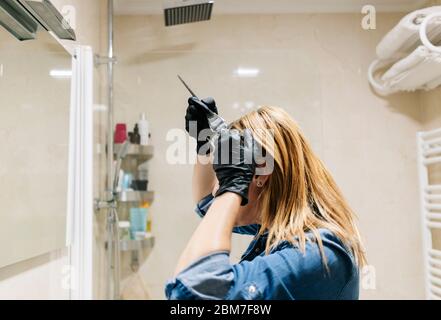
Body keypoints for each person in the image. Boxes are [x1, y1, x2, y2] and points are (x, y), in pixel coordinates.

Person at [165, 98, 367, 300]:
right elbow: (208, 204)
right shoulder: (275, 227)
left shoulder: (317, 253)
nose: (218, 187)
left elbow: (192, 291)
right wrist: (204, 144)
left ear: (260, 173)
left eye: (224, 171)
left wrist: (232, 186)